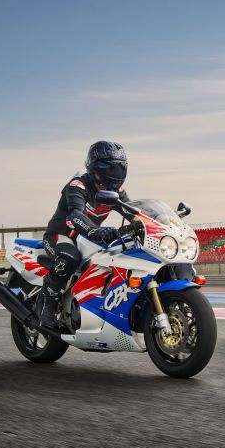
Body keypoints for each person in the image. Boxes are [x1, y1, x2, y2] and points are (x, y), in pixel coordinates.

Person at [37, 140, 131, 329]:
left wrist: (148, 223)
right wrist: (95, 230)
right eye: (112, 169)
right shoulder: (78, 185)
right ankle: (46, 302)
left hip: (87, 239)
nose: (117, 175)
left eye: (120, 169)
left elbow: (133, 211)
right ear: (97, 170)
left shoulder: (116, 191)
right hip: (61, 236)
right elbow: (75, 215)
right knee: (69, 258)